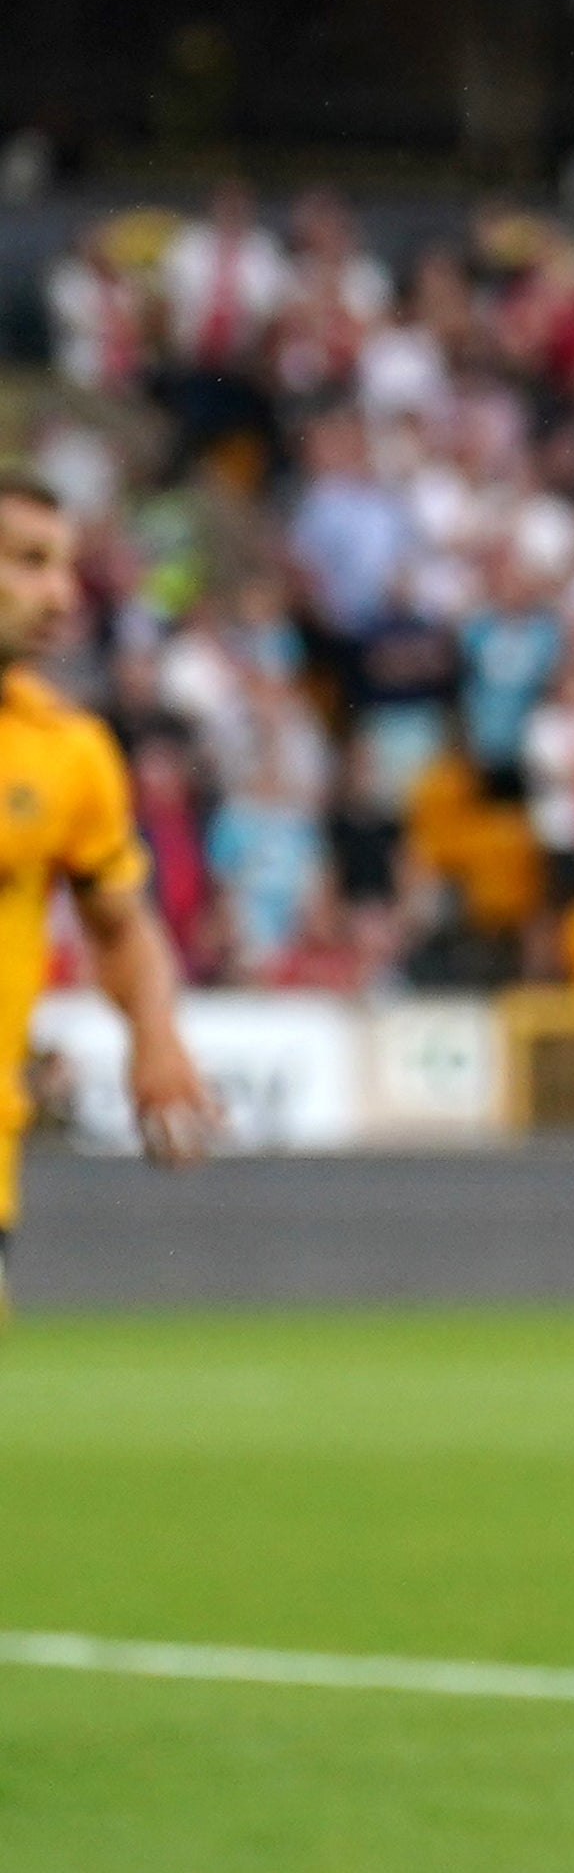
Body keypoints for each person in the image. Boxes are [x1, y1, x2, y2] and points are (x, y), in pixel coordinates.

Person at [0, 476, 218, 1312]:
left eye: (63, 567)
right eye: (28, 563)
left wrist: (156, 1038)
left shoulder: (71, 754)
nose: (59, 594)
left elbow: (120, 926)